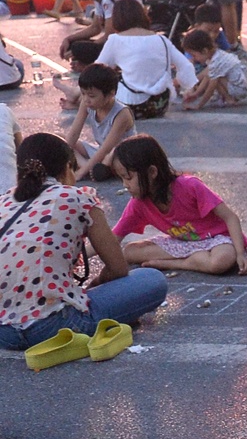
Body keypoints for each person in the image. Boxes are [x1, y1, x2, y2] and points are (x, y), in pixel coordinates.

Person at [0, 134, 169, 355]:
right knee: (151, 279)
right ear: (66, 169)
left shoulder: (4, 201)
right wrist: (96, 285)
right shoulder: (78, 197)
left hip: (5, 332)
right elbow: (118, 268)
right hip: (53, 327)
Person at [109, 135, 247, 275]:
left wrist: (240, 254)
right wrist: (85, 254)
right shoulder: (139, 203)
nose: (125, 185)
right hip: (183, 243)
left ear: (152, 172)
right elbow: (111, 240)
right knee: (129, 252)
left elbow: (230, 217)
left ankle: (178, 263)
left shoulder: (190, 186)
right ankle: (196, 259)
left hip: (216, 239)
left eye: (128, 178)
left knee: (222, 260)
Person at [97, 0, 197, 119]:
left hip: (129, 106)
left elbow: (97, 71)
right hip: (159, 105)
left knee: (106, 78)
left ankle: (75, 94)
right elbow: (186, 66)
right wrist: (187, 88)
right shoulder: (162, 40)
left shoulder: (116, 40)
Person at [62, 64, 134, 178]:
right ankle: (89, 168)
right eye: (83, 93)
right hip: (99, 151)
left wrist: (80, 173)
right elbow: (74, 134)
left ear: (111, 94)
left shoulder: (122, 114)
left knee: (110, 157)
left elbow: (106, 148)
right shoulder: (86, 104)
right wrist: (60, 161)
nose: (86, 99)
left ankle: (89, 169)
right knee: (61, 139)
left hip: (119, 156)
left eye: (91, 96)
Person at [179, 29, 247, 108]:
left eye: (194, 55)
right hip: (242, 86)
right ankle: (227, 97)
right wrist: (196, 94)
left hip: (240, 89)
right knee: (213, 75)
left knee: (216, 78)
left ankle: (229, 99)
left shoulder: (216, 62)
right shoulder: (216, 55)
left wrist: (199, 105)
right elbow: (207, 77)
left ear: (204, 51)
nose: (195, 59)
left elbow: (211, 87)